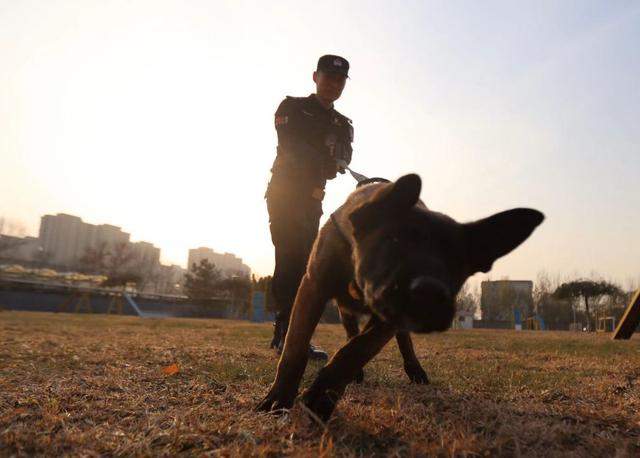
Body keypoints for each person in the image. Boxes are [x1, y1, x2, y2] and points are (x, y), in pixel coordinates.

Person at [265, 54, 354, 360]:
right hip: (285, 194)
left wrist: (333, 161)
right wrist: (324, 158)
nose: (333, 84)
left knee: (306, 265)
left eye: (340, 81)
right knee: (290, 258)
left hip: (313, 201)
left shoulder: (342, 124)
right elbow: (291, 147)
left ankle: (296, 335)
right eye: (328, 78)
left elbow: (342, 160)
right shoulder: (292, 107)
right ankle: (285, 335)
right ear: (315, 77)